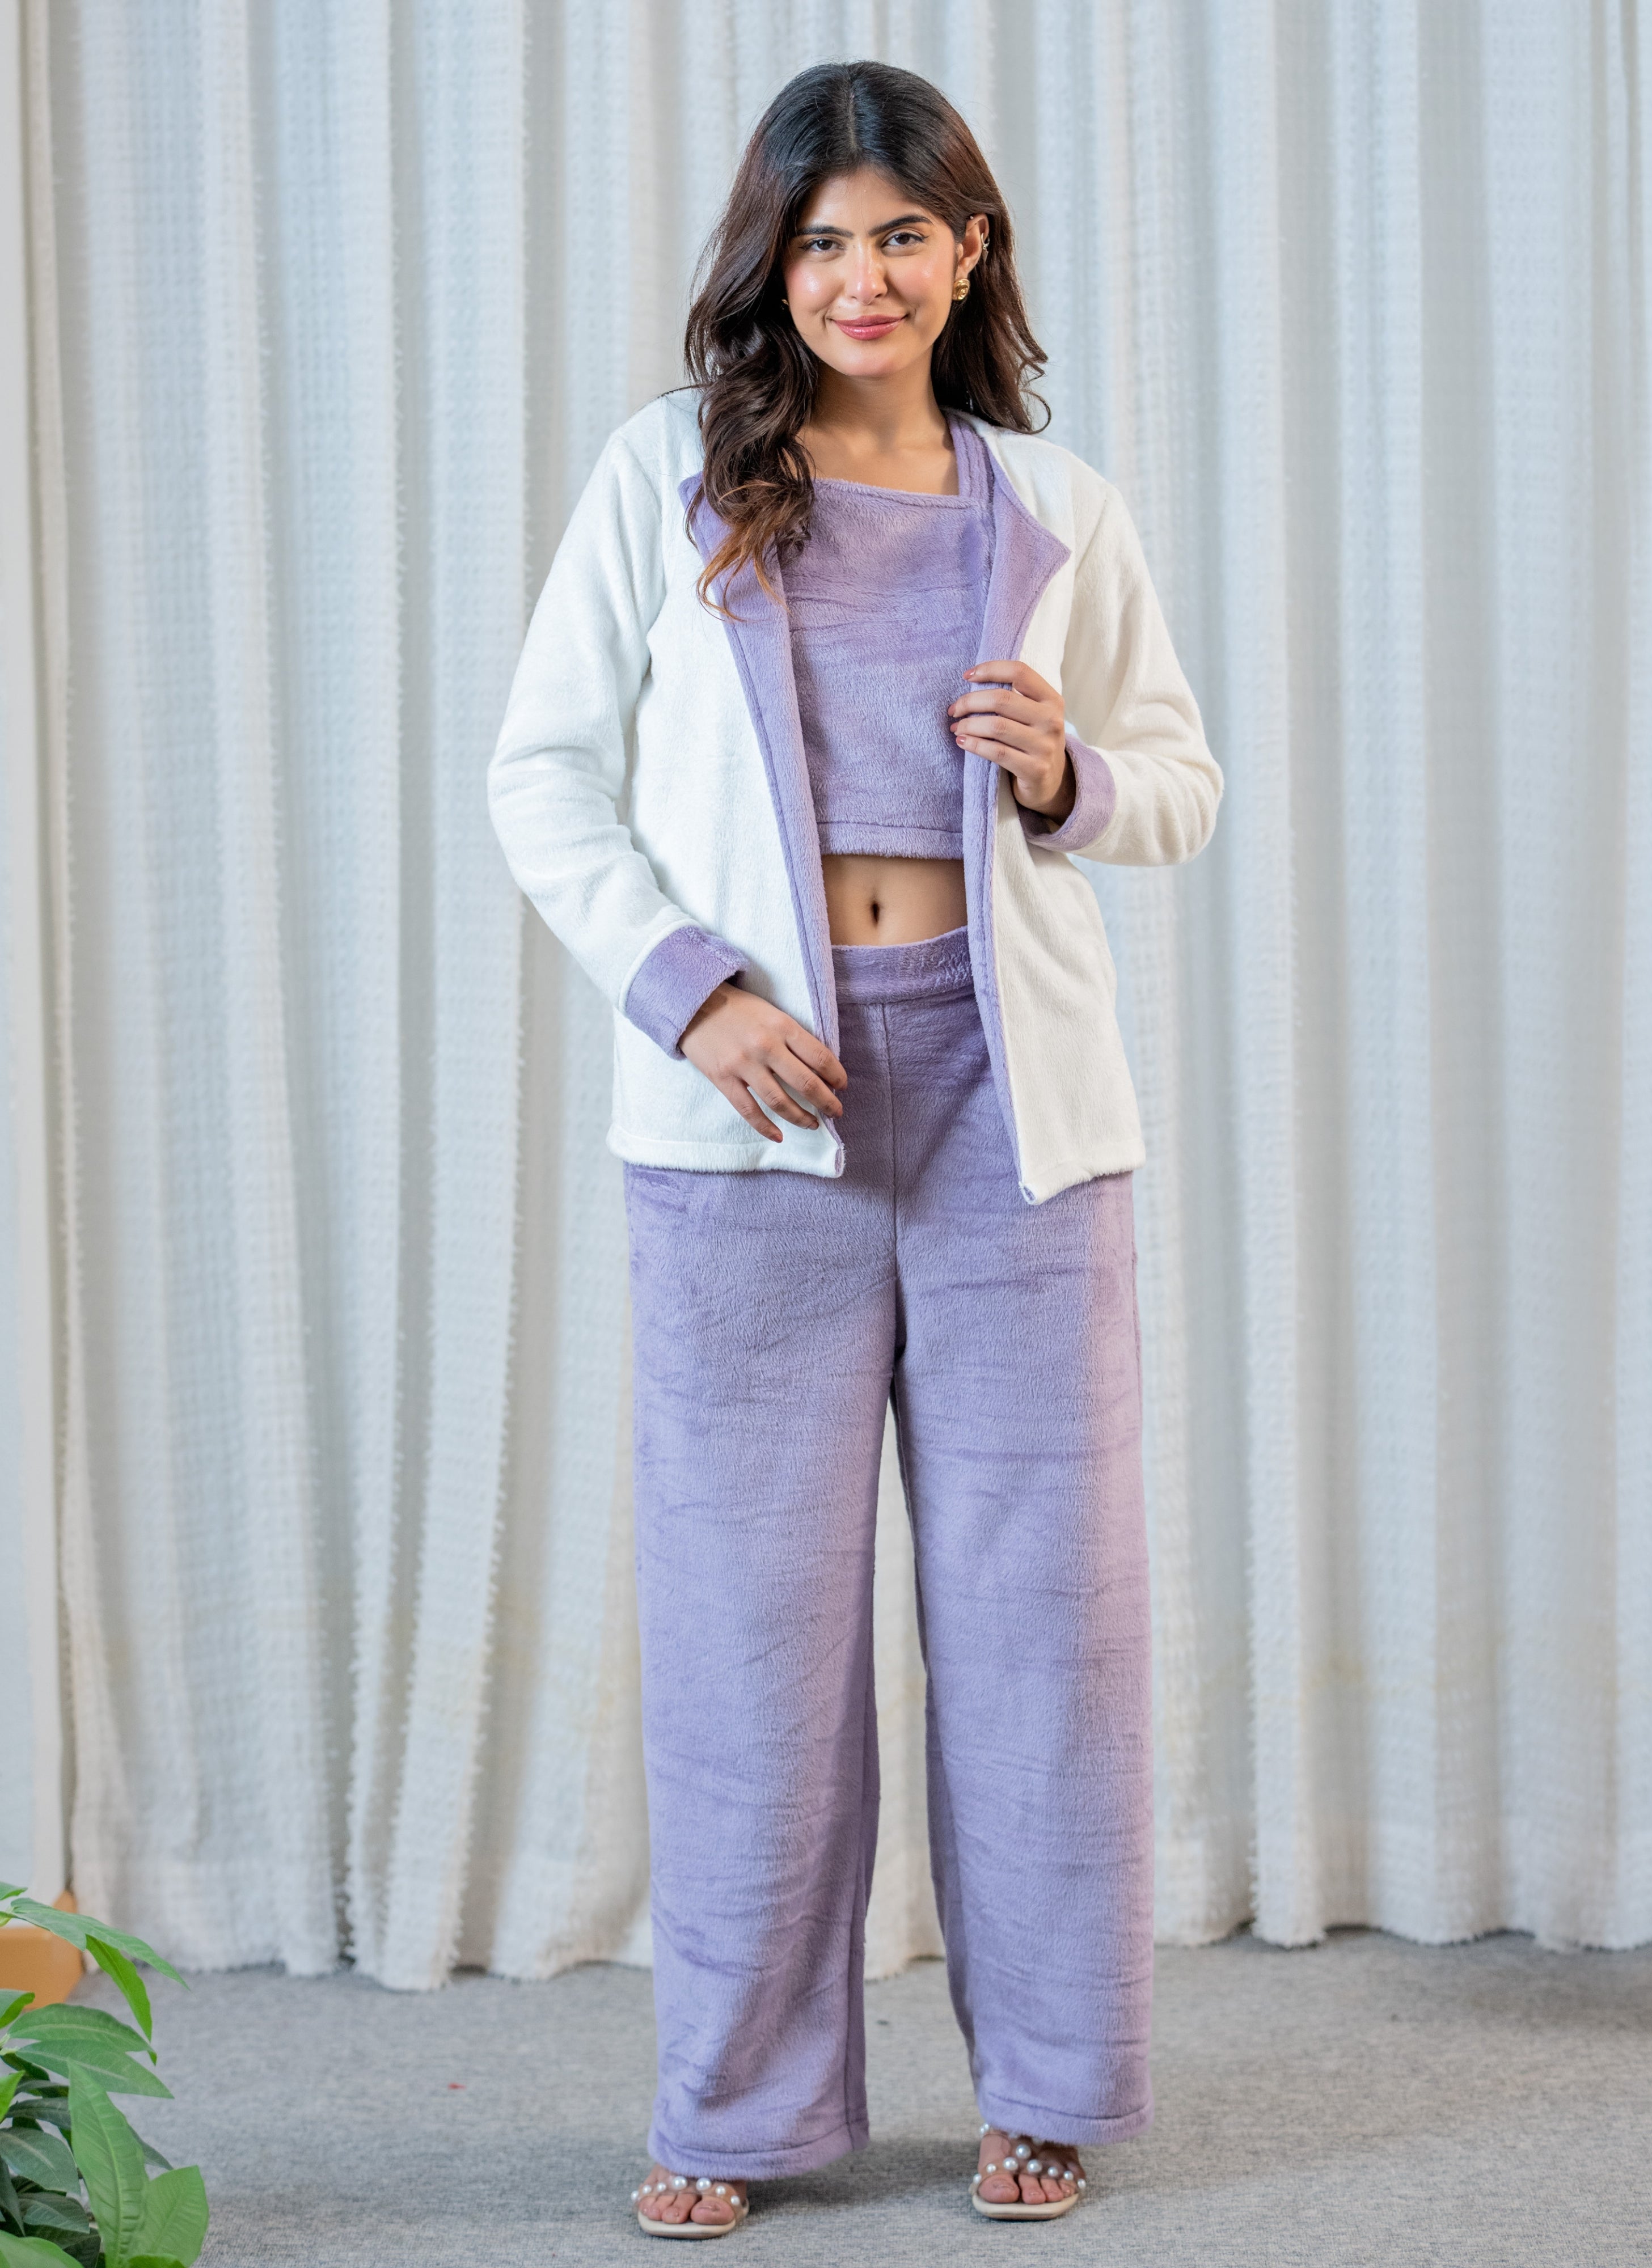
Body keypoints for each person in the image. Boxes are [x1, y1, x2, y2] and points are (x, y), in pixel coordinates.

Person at [487, 57, 1222, 2239]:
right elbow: (543, 776)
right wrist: (696, 994)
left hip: (1017, 1121)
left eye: (903, 234)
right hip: (751, 1126)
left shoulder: (1057, 506)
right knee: (750, 1637)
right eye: (821, 242)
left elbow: (1181, 786)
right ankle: (734, 2105)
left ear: (968, 251)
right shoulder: (669, 477)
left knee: (1047, 1625)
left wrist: (1071, 773)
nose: (861, 277)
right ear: (773, 263)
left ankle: (1050, 2089)